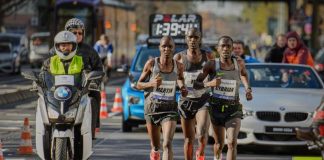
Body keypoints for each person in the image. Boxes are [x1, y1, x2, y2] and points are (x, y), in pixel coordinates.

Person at [194, 36, 253, 160]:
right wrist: (210, 84)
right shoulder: (211, 64)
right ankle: (217, 157)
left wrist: (248, 88)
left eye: (228, 46)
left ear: (232, 48)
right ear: (218, 49)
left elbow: (244, 74)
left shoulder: (239, 63)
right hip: (216, 108)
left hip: (233, 108)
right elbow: (196, 84)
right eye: (223, 46)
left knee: (231, 142)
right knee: (219, 144)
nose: (226, 49)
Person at [136, 36, 188, 160]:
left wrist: (182, 88)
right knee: (156, 145)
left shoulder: (179, 66)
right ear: (159, 48)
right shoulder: (151, 64)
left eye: (170, 46)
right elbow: (138, 84)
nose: (167, 49)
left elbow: (180, 79)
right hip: (152, 108)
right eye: (164, 46)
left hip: (169, 109)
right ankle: (154, 152)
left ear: (173, 48)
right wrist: (151, 83)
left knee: (167, 143)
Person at [50, 18, 103, 139]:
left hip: (81, 87)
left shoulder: (90, 51)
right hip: (59, 88)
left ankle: (92, 128)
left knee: (95, 95)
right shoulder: (54, 51)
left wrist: (94, 82)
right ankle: (47, 129)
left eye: (80, 33)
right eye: (74, 33)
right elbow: (46, 69)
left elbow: (99, 68)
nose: (77, 35)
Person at [173, 28, 213, 160]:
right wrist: (181, 86)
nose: (193, 40)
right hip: (186, 101)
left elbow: (216, 77)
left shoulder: (209, 56)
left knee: (201, 134)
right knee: (189, 139)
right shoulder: (179, 57)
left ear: (200, 39)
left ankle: (200, 153)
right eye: (190, 37)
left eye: (196, 37)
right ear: (186, 39)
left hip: (203, 99)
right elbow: (174, 77)